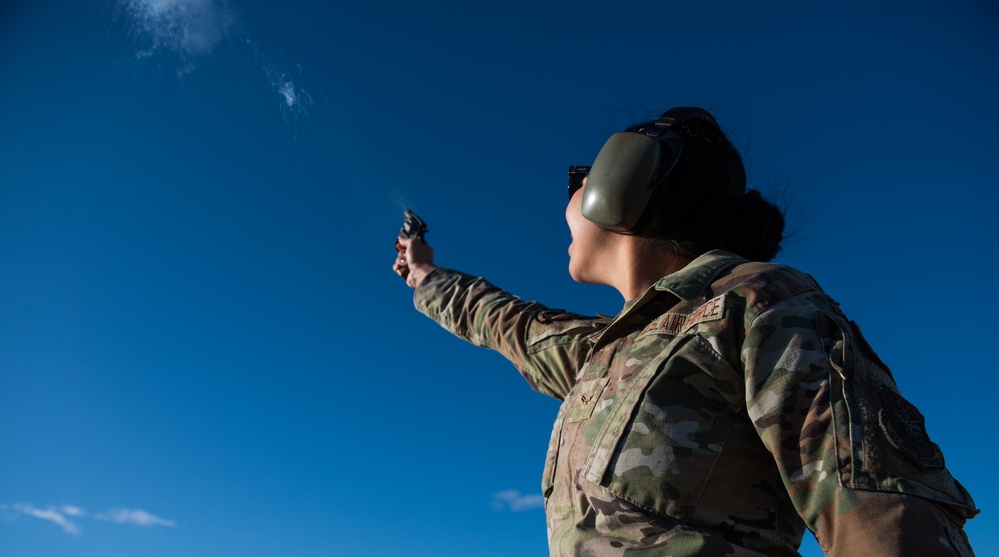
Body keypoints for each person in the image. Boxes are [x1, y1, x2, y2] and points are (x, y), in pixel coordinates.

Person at [393, 107, 978, 556]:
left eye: (579, 178)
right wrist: (424, 273)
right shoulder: (603, 354)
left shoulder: (759, 302)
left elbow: (889, 526)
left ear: (618, 180)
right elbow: (506, 321)